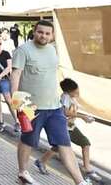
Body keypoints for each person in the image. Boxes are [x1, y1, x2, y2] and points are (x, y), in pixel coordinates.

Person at [11, 20, 89, 185]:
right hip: (31, 107)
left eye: (47, 33)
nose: (43, 36)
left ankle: (80, 182)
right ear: (34, 31)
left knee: (64, 144)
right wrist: (17, 102)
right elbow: (16, 74)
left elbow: (51, 75)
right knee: (28, 140)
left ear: (52, 35)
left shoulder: (53, 50)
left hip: (54, 108)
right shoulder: (23, 50)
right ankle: (23, 172)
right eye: (40, 32)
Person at [35, 78, 101, 182]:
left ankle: (86, 167)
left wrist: (85, 116)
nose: (78, 91)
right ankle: (41, 161)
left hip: (71, 127)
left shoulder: (72, 97)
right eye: (76, 89)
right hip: (63, 127)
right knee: (59, 147)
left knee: (84, 143)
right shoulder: (65, 97)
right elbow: (65, 112)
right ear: (69, 90)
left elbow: (75, 110)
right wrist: (82, 117)